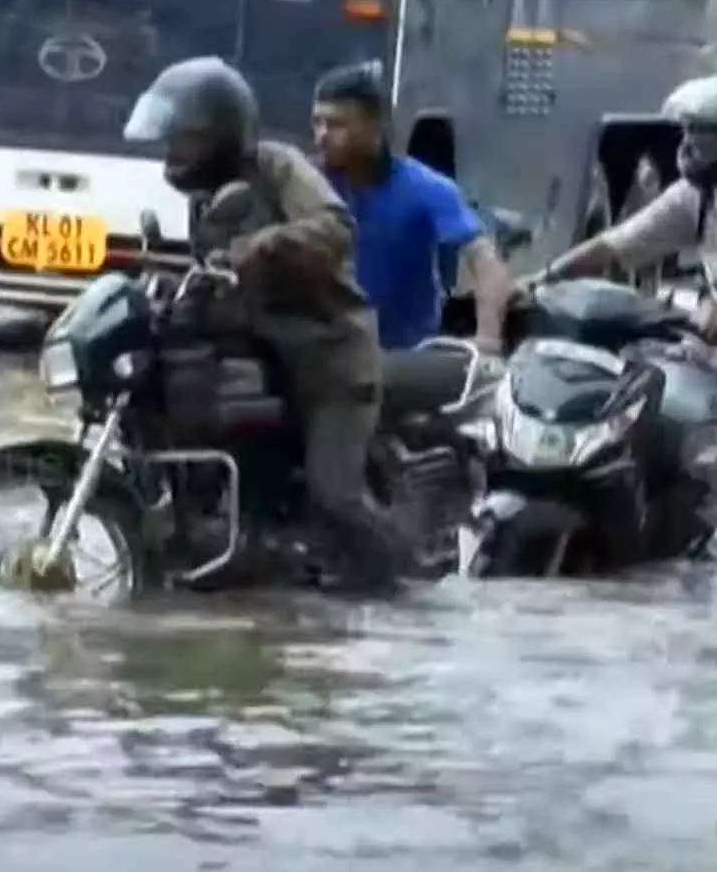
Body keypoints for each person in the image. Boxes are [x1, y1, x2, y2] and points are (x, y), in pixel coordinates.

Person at [122, 55, 414, 592]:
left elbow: (334, 228)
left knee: (336, 498)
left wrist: (255, 250)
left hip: (330, 360)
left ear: (218, 135)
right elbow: (211, 272)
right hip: (264, 360)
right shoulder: (207, 197)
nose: (173, 155)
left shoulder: (277, 168)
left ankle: (399, 591)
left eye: (183, 142)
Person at [311, 63, 514, 352]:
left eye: (336, 125)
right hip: (326, 352)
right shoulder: (306, 184)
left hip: (406, 361)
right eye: (317, 123)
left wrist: (488, 337)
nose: (322, 136)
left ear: (375, 125)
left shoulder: (426, 188)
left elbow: (485, 261)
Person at [541, 73, 717, 343]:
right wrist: (542, 279)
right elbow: (611, 247)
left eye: (701, 133)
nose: (688, 147)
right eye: (686, 130)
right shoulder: (694, 198)